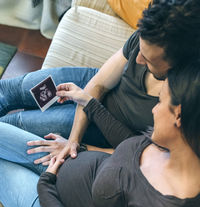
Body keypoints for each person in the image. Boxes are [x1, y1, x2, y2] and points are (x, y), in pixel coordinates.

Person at [1, 60, 200, 207]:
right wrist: (89, 104)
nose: (153, 110)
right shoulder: (172, 146)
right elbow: (131, 144)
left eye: (159, 102)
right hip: (60, 162)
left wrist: (46, 184)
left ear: (178, 115)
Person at [0, 0, 200, 166]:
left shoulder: (186, 103)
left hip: (104, 126)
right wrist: (73, 140)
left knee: (11, 125)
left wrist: (79, 146)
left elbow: (146, 159)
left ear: (179, 63)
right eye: (139, 49)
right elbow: (99, 84)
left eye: (149, 61)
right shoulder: (153, 33)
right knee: (10, 90)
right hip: (87, 87)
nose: (137, 60)